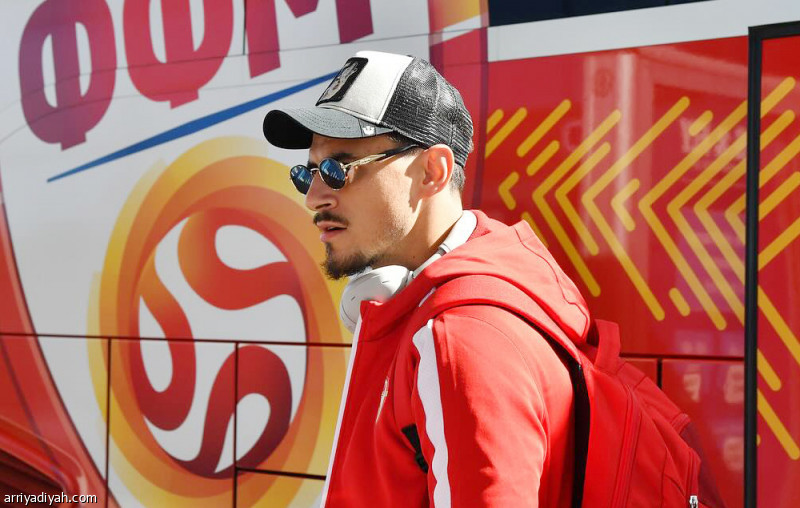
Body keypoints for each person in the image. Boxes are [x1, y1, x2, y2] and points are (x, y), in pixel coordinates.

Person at [263, 50, 587, 507]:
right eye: (308, 173)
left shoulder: (460, 338)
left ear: (432, 172)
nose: (313, 198)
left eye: (338, 170)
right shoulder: (455, 298)